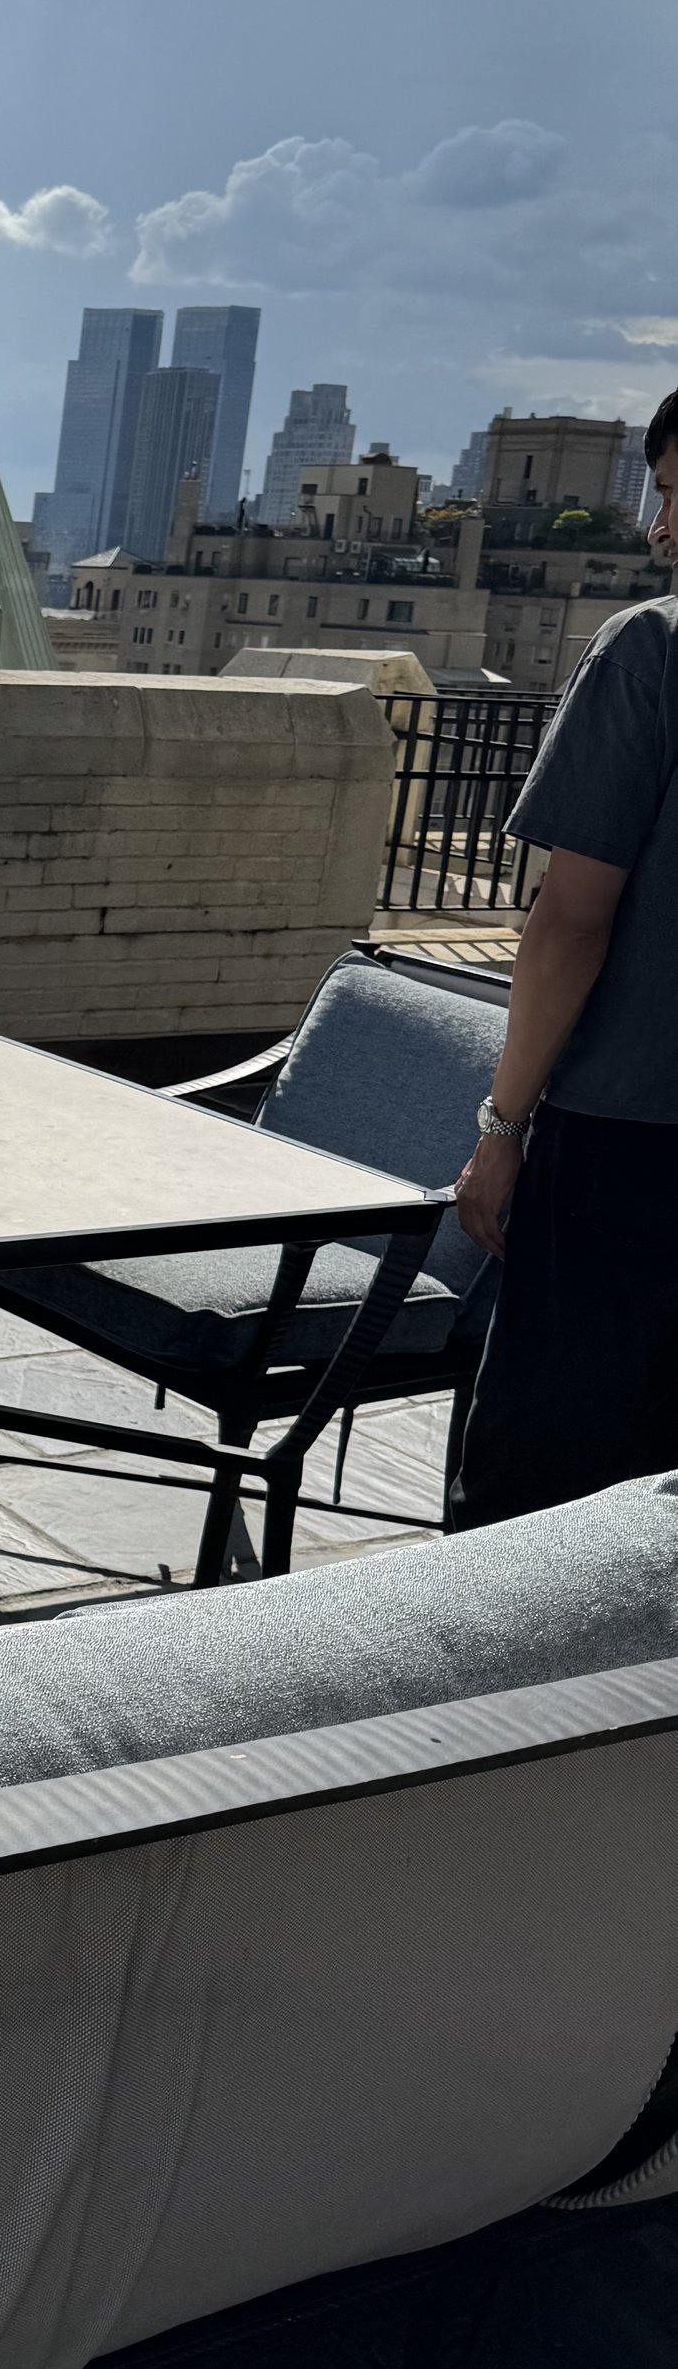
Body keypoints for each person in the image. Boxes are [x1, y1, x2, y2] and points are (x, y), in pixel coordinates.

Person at [452, 386, 678, 1522]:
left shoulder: (651, 649)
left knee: (544, 1486)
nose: (659, 527)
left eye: (677, 495)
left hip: (630, 1140)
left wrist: (501, 1129)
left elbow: (571, 920)